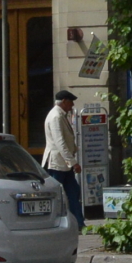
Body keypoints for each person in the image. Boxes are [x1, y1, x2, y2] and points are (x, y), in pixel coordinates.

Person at [42, 88, 84, 229]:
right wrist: (73, 162)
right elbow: (60, 142)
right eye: (71, 102)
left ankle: (78, 223)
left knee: (73, 192)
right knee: (57, 195)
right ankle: (55, 222)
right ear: (64, 101)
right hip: (58, 164)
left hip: (63, 164)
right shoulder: (56, 116)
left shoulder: (61, 114)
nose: (72, 105)